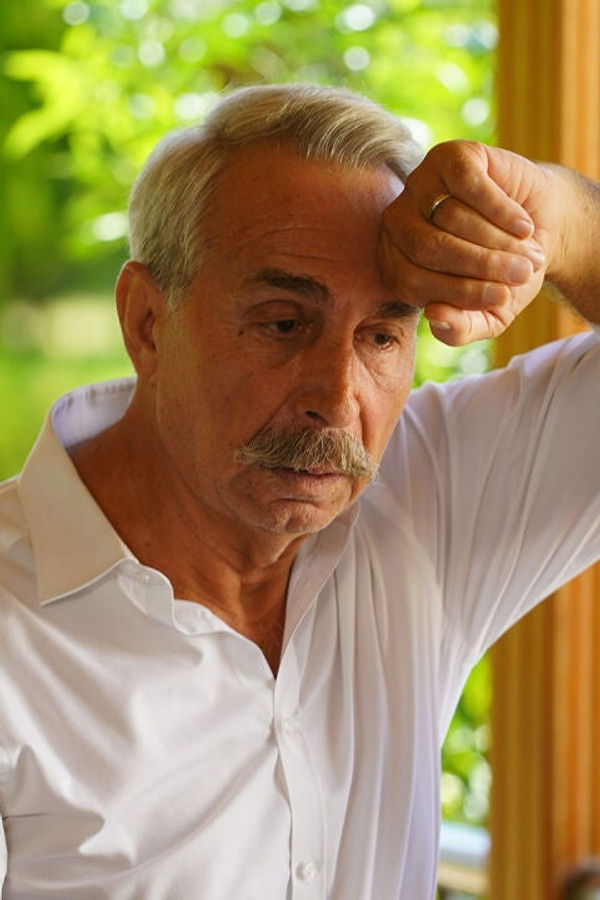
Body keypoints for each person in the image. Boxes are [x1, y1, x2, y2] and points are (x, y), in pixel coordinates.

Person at [0, 82, 599, 899]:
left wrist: (563, 225)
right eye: (283, 323)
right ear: (146, 322)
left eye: (381, 335)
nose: (337, 397)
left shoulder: (419, 499)